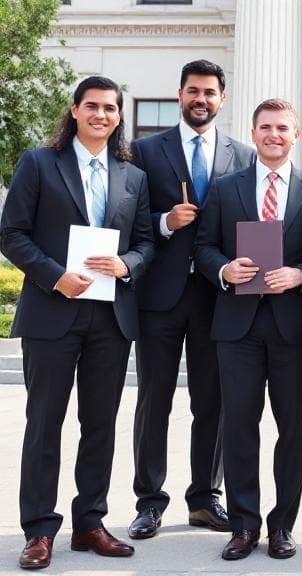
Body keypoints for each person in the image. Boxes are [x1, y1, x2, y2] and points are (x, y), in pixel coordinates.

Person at [0, 75, 155, 570]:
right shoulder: (39, 163)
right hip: (53, 312)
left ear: (118, 117)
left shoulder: (132, 175)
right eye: (92, 106)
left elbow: (148, 240)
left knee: (100, 425)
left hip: (111, 317)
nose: (102, 115)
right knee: (44, 423)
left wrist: (128, 262)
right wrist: (54, 277)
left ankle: (90, 522)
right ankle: (39, 530)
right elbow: (12, 233)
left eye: (110, 109)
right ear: (74, 110)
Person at [128, 59, 254, 540]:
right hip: (159, 295)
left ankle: (205, 498)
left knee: (213, 402)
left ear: (223, 99)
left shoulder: (241, 156)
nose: (201, 99)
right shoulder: (144, 151)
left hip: (216, 296)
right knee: (153, 400)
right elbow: (132, 219)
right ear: (180, 94)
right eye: (193, 91)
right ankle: (148, 502)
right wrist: (165, 222)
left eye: (210, 92)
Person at [194, 98, 302, 561]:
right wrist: (225, 269)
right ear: (253, 134)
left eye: (282, 128)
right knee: (240, 425)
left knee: (292, 428)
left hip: (294, 326)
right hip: (237, 326)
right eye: (265, 127)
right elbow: (204, 247)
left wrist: (301, 273)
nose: (274, 135)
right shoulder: (226, 189)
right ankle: (244, 525)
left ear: (296, 134)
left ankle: (283, 525)